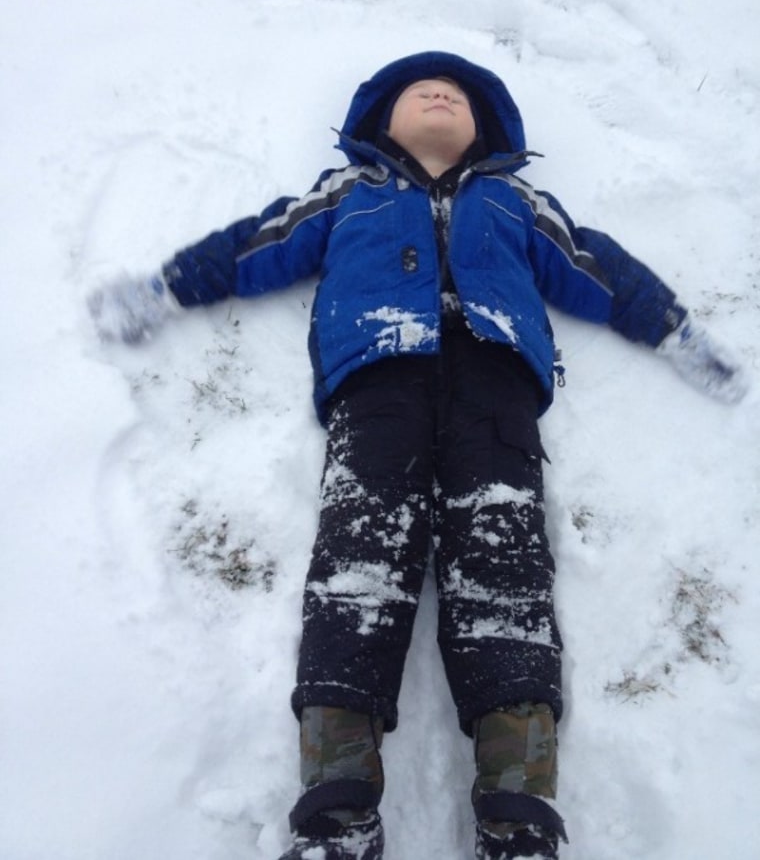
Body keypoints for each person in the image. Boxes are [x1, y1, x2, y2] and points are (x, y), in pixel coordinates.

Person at [88, 51, 748, 860]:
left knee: (506, 576)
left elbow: (594, 265)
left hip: (495, 394)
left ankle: (518, 814)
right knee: (356, 571)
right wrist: (164, 288)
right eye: (419, 90)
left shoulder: (516, 200)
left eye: (458, 95)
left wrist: (674, 327)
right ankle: (337, 815)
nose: (439, 92)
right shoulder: (348, 194)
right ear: (380, 122)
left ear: (486, 132)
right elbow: (257, 243)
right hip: (378, 385)